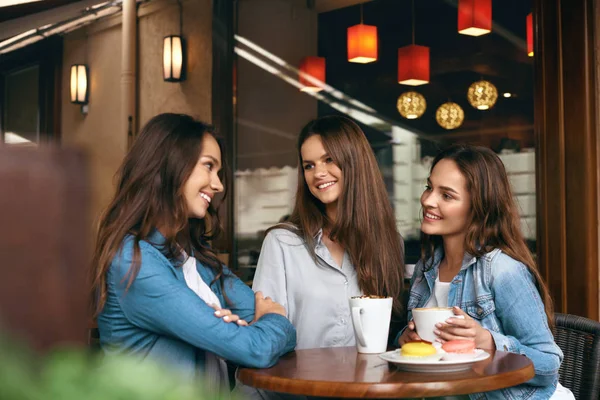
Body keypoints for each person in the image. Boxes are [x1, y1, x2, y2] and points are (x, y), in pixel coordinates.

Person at [91, 113, 296, 394]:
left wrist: (245, 331)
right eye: (208, 167)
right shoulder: (133, 259)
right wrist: (272, 321)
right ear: (171, 165)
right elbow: (256, 346)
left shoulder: (196, 258)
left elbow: (261, 330)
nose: (219, 184)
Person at [398, 144, 574, 400]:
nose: (427, 200)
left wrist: (488, 342)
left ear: (478, 208)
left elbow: (548, 365)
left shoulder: (502, 270)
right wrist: (405, 337)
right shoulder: (426, 268)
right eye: (429, 187)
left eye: (446, 195)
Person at [252, 115, 405, 350]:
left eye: (329, 159)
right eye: (309, 165)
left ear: (355, 162)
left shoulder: (390, 243)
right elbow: (265, 332)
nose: (318, 173)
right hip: (295, 385)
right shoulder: (282, 242)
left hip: (364, 384)